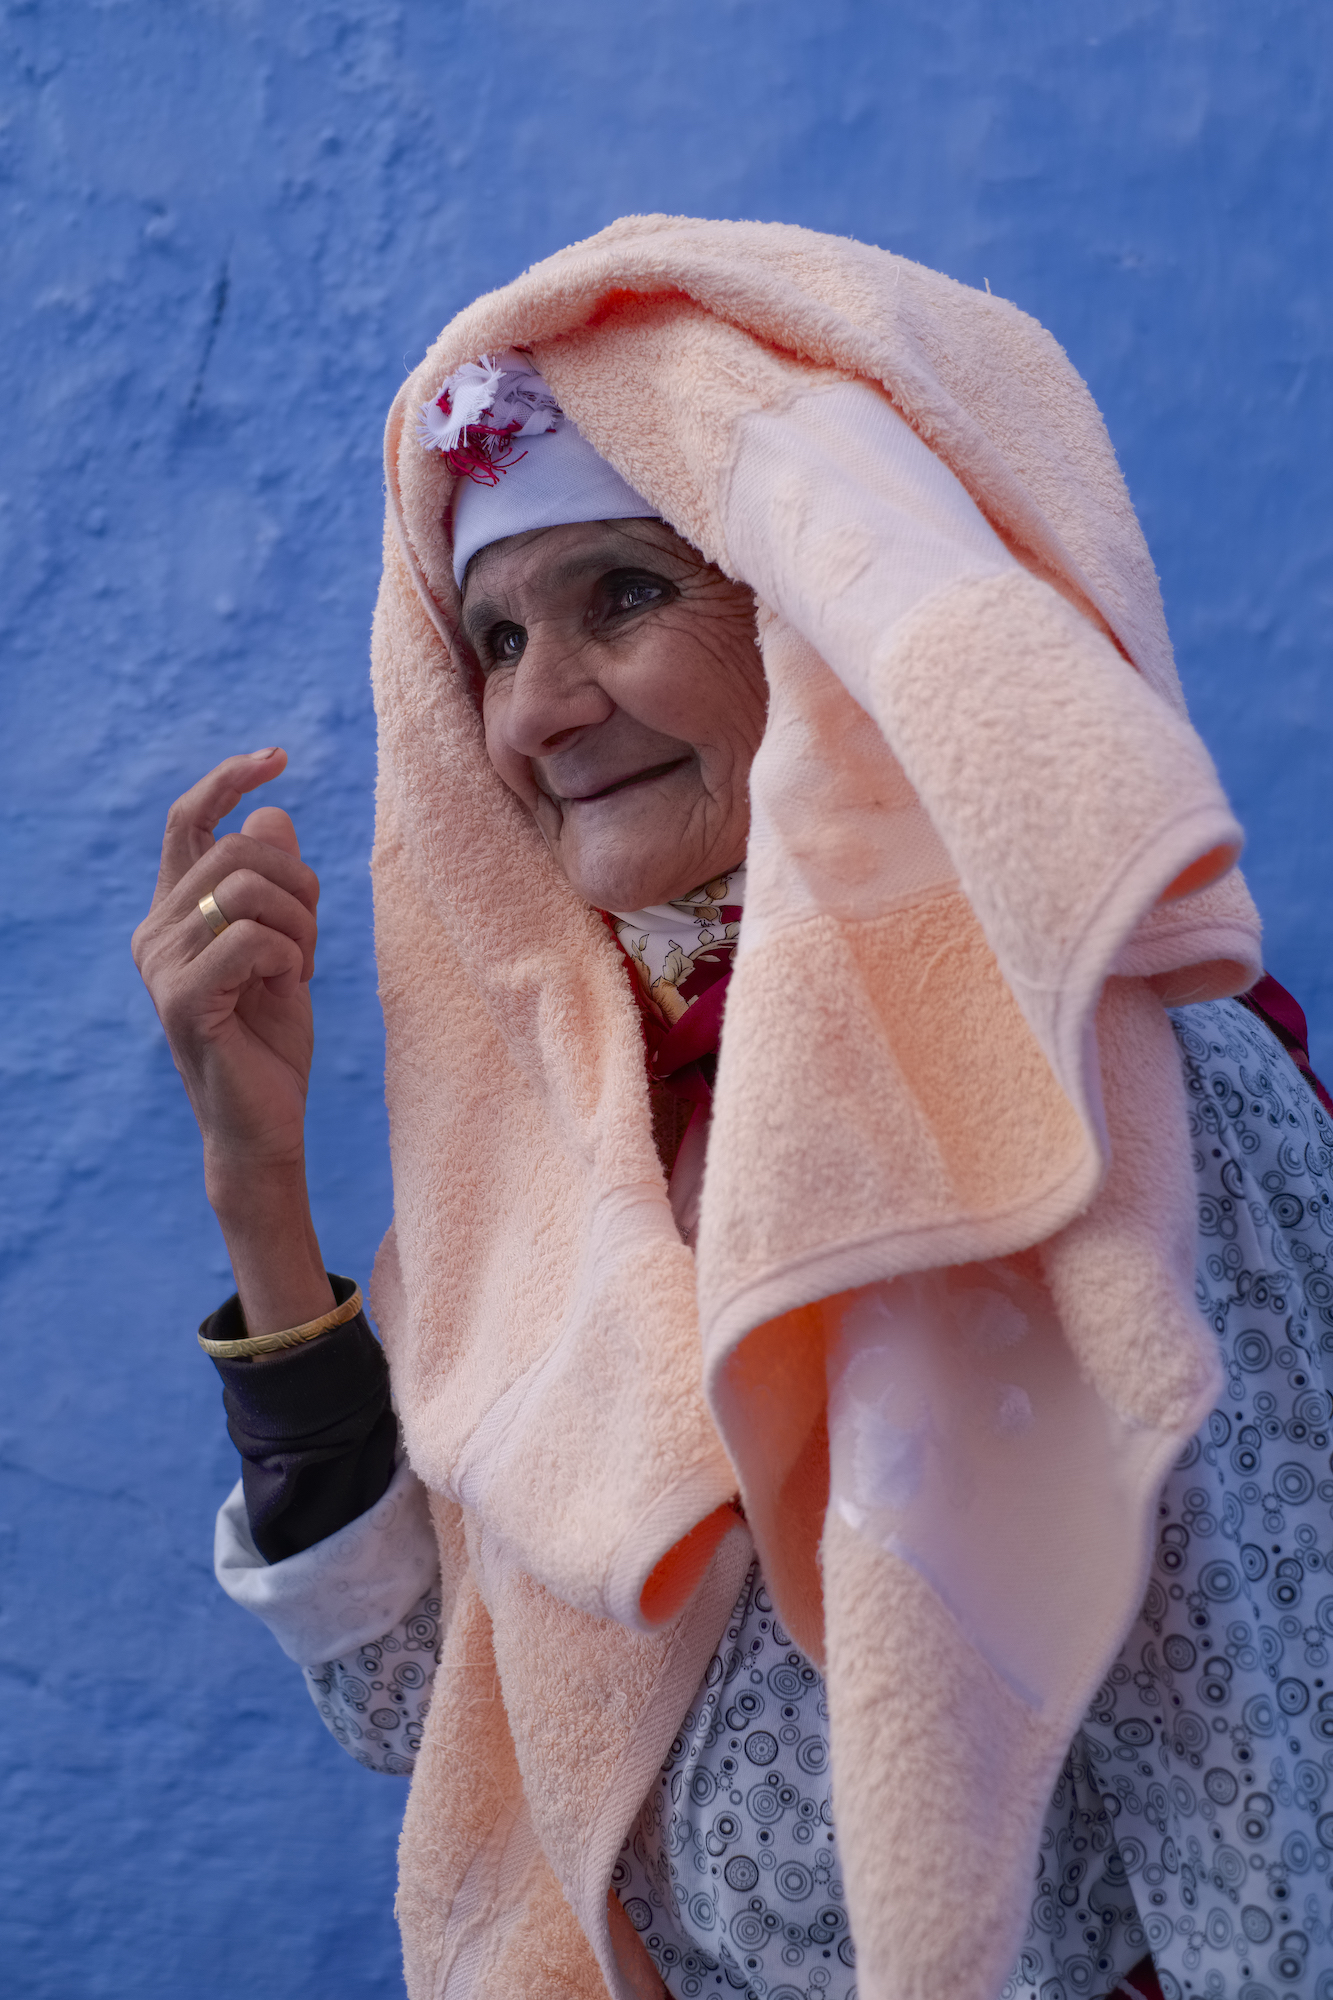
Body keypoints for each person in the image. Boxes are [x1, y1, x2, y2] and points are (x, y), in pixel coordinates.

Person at [132, 220, 1333, 2000]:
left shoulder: (1106, 1099)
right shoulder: (597, 1153)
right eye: (492, 637)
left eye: (624, 594)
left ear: (817, 612)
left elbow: (1274, 1796)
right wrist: (259, 1186)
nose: (536, 710)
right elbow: (426, 1712)